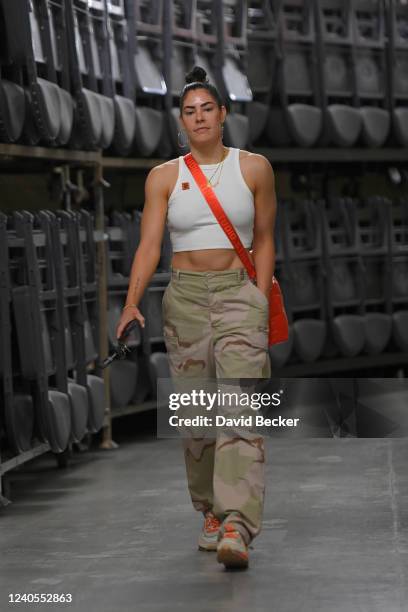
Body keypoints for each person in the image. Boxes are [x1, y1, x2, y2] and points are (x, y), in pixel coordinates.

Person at [116, 66, 277, 570]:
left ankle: (237, 524)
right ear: (180, 121)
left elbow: (267, 236)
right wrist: (130, 301)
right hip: (184, 299)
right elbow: (148, 246)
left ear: (224, 115)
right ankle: (209, 512)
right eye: (190, 111)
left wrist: (258, 295)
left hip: (238, 294)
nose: (200, 117)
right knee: (198, 416)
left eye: (208, 108)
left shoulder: (254, 168)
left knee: (240, 408)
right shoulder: (164, 177)